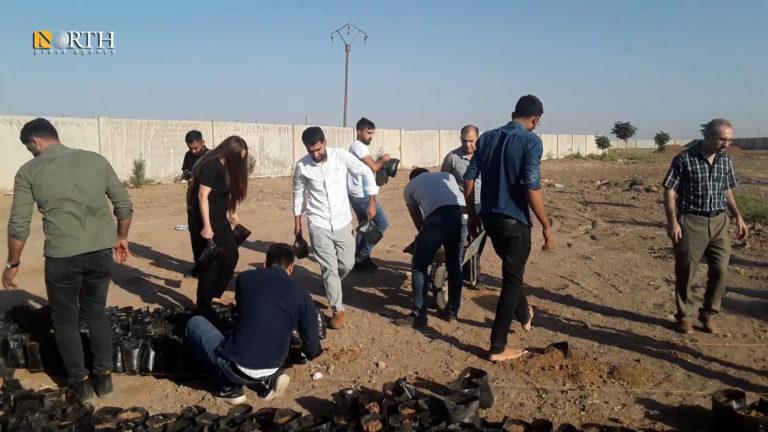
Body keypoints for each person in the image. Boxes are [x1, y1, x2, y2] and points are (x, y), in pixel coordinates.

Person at [2, 118, 133, 401]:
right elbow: (123, 204)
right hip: (100, 253)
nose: (32, 153)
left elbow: (19, 224)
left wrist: (13, 263)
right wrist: (121, 237)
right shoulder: (95, 160)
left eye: (30, 148)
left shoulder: (28, 171)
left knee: (64, 319)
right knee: (96, 313)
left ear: (35, 142)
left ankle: (80, 383)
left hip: (62, 257)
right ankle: (105, 379)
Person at [464, 95, 555, 362]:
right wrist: (546, 226)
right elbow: (531, 186)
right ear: (535, 119)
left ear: (514, 112)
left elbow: (469, 179)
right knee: (511, 281)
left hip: (490, 219)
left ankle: (525, 314)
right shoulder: (531, 141)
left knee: (512, 272)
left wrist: (472, 215)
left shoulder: (487, 138)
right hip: (514, 221)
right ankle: (498, 347)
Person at [185, 243, 322, 404]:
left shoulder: (245, 279)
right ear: (291, 268)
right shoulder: (303, 296)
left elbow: (243, 314)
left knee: (195, 323)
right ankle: (273, 375)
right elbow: (313, 349)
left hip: (236, 367)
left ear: (265, 264)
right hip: (275, 363)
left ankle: (229, 389)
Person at [663, 118, 748, 335]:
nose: (726, 144)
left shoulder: (725, 160)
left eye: (729, 140)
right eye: (722, 139)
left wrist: (737, 216)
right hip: (691, 221)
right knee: (686, 272)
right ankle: (684, 316)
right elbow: (670, 191)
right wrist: (673, 222)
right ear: (708, 136)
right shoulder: (684, 159)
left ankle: (708, 314)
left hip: (719, 222)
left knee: (720, 270)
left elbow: (727, 190)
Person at [293, 126, 379, 329]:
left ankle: (331, 283)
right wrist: (297, 225)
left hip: (342, 221)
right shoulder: (302, 167)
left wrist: (372, 201)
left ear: (325, 142)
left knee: (347, 263)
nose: (315, 154)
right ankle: (337, 309)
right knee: (329, 268)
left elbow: (366, 170)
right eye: (310, 150)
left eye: (318, 149)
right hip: (318, 222)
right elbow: (298, 195)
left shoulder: (341, 156)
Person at [397, 168, 466, 328]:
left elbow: (417, 217)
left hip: (435, 220)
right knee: (455, 266)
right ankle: (452, 313)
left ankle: (419, 316)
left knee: (419, 268)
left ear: (412, 178)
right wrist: (466, 232)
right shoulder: (447, 175)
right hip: (459, 217)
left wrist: (426, 237)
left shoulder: (410, 187)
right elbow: (461, 203)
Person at [187, 136, 249, 315]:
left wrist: (232, 213)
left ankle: (215, 295)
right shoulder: (212, 166)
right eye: (240, 157)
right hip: (204, 219)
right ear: (230, 153)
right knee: (211, 262)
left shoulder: (228, 168)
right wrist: (206, 227)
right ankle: (203, 304)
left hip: (220, 218)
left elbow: (226, 194)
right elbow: (201, 196)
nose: (241, 161)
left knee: (231, 255)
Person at [441, 124, 485, 288]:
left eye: (472, 141)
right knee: (464, 241)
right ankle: (468, 275)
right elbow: (443, 180)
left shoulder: (484, 156)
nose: (468, 145)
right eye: (464, 141)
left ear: (478, 139)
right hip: (462, 208)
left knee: (478, 243)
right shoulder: (452, 158)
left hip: (483, 206)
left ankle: (470, 273)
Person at [347, 117, 391, 271]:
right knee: (382, 224)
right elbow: (374, 166)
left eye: (372, 133)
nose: (370, 136)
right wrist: (383, 160)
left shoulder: (356, 147)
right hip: (363, 194)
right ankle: (362, 256)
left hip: (356, 193)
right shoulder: (359, 147)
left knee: (365, 226)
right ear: (359, 131)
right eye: (368, 132)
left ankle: (360, 260)